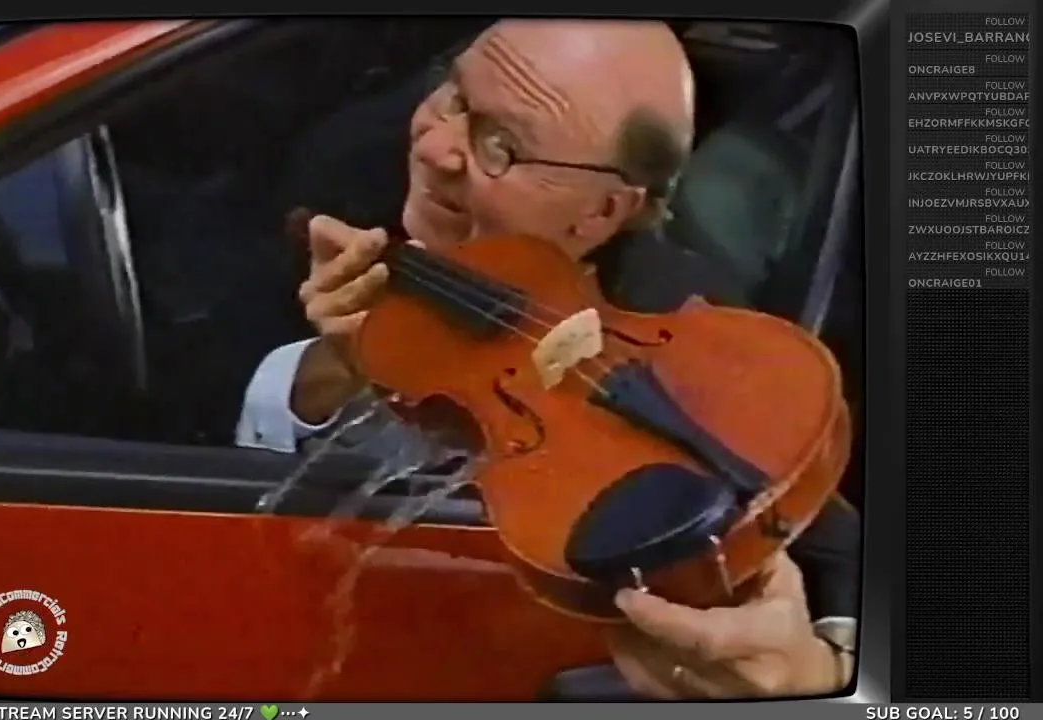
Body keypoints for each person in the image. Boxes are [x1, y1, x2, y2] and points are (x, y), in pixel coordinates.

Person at [231, 19, 858, 698]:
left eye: (501, 146)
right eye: (453, 96)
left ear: (602, 212)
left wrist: (823, 671)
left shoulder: (695, 334)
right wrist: (341, 365)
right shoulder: (355, 195)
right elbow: (243, 482)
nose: (435, 147)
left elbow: (839, 560)